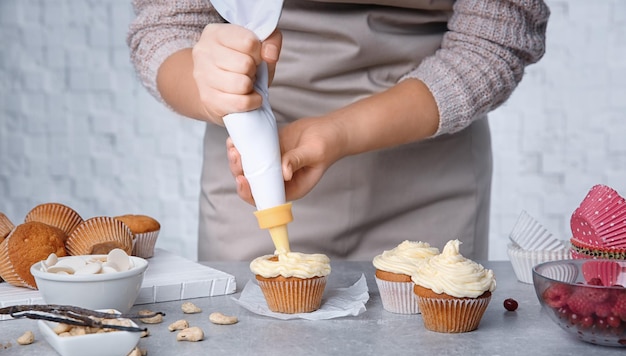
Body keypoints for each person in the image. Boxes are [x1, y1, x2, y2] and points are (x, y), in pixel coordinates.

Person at [127, 0, 550, 262]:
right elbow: (167, 26)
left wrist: (340, 132)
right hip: (257, 171)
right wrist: (212, 89)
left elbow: (495, 41)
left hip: (431, 166)